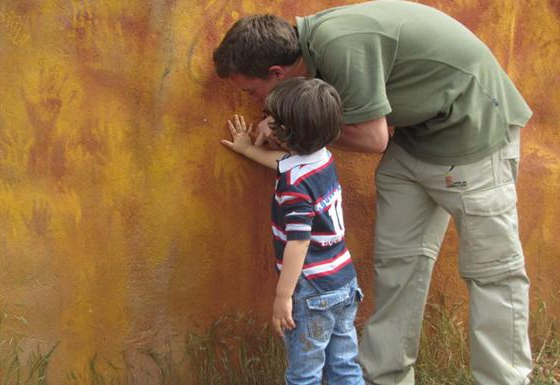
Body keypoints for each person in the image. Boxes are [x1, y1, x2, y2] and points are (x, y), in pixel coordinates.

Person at [213, 1, 533, 385]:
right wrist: (280, 124)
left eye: (253, 91)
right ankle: (386, 378)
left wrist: (284, 128)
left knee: (492, 272)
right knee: (398, 264)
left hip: (473, 132)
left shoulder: (338, 44)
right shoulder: (310, 53)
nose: (255, 101)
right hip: (415, 139)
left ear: (277, 72)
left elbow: (372, 137)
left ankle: (505, 380)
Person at [221, 77, 365, 385]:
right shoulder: (323, 158)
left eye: (269, 119)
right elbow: (285, 162)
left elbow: (298, 243)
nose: (264, 121)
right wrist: (247, 149)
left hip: (313, 291)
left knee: (304, 375)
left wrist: (283, 297)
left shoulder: (295, 187)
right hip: (343, 281)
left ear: (285, 132)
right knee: (344, 365)